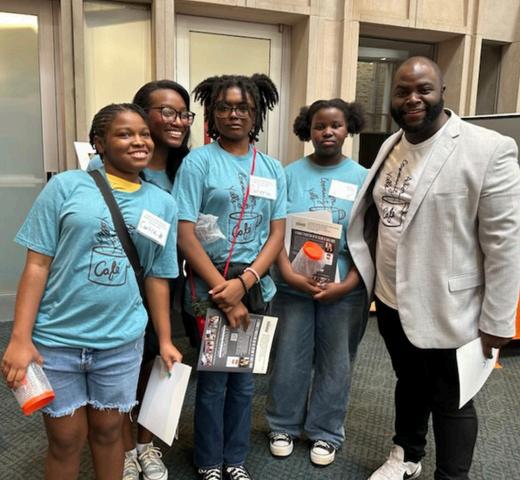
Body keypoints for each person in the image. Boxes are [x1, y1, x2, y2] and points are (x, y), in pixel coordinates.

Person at [347, 57, 520, 480]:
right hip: (391, 299)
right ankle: (407, 454)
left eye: (423, 89)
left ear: (442, 91)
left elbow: (505, 244)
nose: (413, 99)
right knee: (409, 381)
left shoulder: (488, 149)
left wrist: (498, 319)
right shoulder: (392, 144)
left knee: (452, 399)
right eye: (402, 91)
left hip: (450, 307)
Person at [1, 103, 182, 480]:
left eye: (144, 134)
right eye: (125, 134)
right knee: (66, 440)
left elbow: (157, 277)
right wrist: (20, 338)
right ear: (99, 143)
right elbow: (37, 265)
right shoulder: (66, 186)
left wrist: (165, 339)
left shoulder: (163, 204)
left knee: (109, 433)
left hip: (120, 340)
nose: (139, 141)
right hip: (58, 339)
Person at [173, 74, 286, 480]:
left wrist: (247, 282)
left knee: (244, 379)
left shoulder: (271, 167)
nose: (233, 114)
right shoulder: (198, 162)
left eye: (243, 107)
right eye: (224, 107)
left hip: (254, 287)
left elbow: (277, 233)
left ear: (257, 113)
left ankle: (235, 459)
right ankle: (208, 461)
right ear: (211, 113)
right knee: (213, 379)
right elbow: (184, 232)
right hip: (210, 285)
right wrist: (224, 289)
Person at [89, 80, 194, 480]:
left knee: (155, 363)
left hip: (164, 280)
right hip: (116, 284)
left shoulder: (186, 168)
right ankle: (124, 449)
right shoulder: (105, 169)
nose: (177, 121)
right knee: (121, 370)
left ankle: (146, 444)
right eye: (166, 112)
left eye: (183, 114)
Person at [265, 99, 369, 466]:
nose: (327, 132)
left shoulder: (363, 177)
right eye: (319, 126)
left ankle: (326, 431)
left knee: (336, 361)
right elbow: (275, 230)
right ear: (307, 131)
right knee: (289, 356)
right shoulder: (287, 174)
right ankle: (282, 425)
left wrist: (349, 283)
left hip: (343, 289)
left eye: (335, 125)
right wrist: (288, 273)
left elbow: (371, 238)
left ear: (348, 128)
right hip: (292, 285)